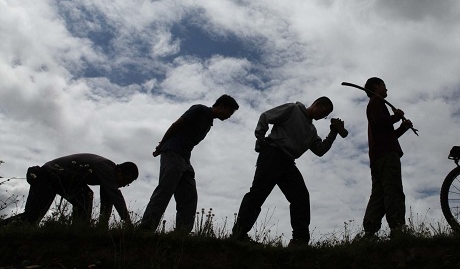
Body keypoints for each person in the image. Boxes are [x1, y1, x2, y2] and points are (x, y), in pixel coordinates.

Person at [231, 96, 346, 246]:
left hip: (288, 162)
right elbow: (266, 116)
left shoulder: (311, 131)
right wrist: (260, 137)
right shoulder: (293, 109)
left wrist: (333, 133)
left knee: (301, 197)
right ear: (317, 104)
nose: (322, 117)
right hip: (272, 154)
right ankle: (239, 235)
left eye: (325, 117)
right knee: (257, 194)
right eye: (323, 114)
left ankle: (299, 240)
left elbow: (320, 150)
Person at [138, 94, 239, 232]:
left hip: (185, 159)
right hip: (173, 152)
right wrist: (161, 145)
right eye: (230, 112)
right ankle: (145, 229)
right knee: (165, 190)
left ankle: (181, 233)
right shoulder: (199, 110)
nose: (229, 116)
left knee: (189, 196)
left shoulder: (209, 123)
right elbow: (176, 125)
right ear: (222, 106)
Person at [0, 154, 138, 226]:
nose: (124, 185)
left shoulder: (107, 175)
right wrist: (128, 223)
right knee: (31, 217)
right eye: (125, 181)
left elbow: (108, 202)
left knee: (85, 196)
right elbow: (115, 196)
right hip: (48, 175)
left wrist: (102, 228)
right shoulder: (107, 168)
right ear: (119, 171)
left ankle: (79, 230)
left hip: (57, 177)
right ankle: (80, 230)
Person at [361, 77, 413, 238]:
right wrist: (396, 116)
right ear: (376, 86)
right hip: (386, 155)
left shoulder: (374, 104)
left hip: (377, 155)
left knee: (379, 193)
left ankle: (369, 230)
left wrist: (402, 127)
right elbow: (382, 122)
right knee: (393, 189)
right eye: (384, 85)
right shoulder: (377, 102)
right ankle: (397, 228)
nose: (386, 89)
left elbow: (387, 133)